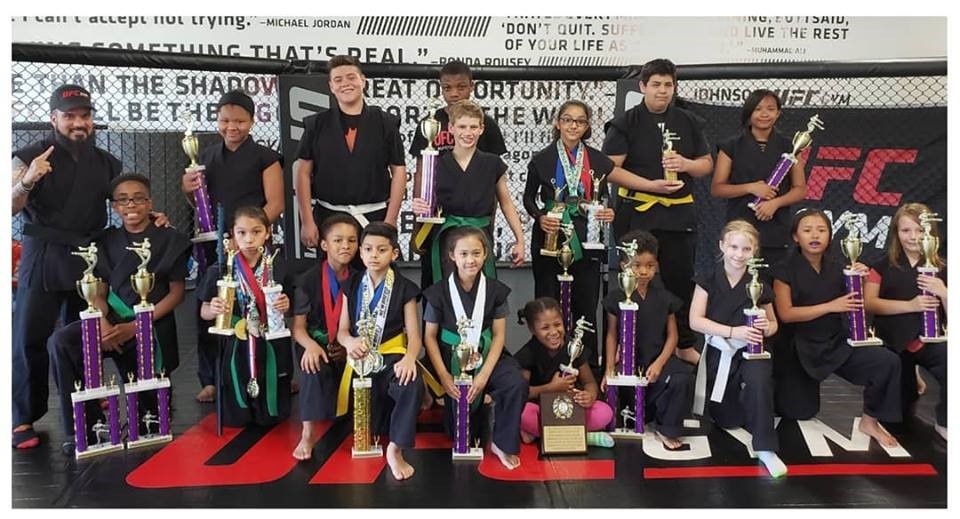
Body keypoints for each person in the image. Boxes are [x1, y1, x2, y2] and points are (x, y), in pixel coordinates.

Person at [12, 84, 127, 448]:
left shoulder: (107, 162)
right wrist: (27, 180)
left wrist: (149, 215)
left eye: (85, 115)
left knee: (84, 336)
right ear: (53, 119)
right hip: (44, 253)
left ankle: (86, 398)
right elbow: (9, 206)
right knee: (30, 336)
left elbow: (124, 201)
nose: (79, 123)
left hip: (87, 256)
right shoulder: (28, 157)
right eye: (70, 116)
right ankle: (23, 417)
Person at [48, 174, 191, 454]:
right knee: (61, 342)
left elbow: (177, 294)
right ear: (114, 206)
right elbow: (99, 290)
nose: (131, 205)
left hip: (149, 326)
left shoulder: (170, 239)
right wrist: (101, 322)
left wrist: (136, 327)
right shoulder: (105, 241)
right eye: (123, 200)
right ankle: (84, 425)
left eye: (138, 198)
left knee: (149, 419)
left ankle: (150, 412)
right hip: (110, 323)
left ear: (150, 202)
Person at [602, 58, 713, 364]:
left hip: (678, 213)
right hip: (637, 211)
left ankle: (684, 344)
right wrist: (650, 185)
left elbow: (706, 165)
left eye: (668, 85)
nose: (662, 91)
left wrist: (686, 164)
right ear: (643, 87)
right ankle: (625, 344)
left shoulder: (688, 121)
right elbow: (610, 169)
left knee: (680, 280)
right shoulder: (626, 122)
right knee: (633, 279)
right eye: (656, 85)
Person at [182, 89, 284, 403]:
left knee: (266, 309)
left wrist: (247, 235)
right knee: (213, 308)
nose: (232, 127)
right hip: (217, 246)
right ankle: (212, 379)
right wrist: (186, 189)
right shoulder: (205, 157)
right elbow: (198, 204)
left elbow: (276, 203)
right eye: (225, 120)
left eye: (239, 120)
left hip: (253, 245)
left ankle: (277, 373)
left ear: (252, 121)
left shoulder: (266, 157)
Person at [771, 209, 900, 447]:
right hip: (799, 349)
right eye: (807, 230)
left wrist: (859, 280)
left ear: (830, 236)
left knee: (887, 362)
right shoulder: (784, 269)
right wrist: (831, 306)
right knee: (800, 411)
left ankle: (870, 421)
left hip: (835, 343)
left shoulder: (839, 267)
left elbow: (854, 304)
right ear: (796, 237)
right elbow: (786, 315)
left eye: (821, 230)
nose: (815, 235)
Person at [422, 227, 528, 470]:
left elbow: (499, 336)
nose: (470, 260)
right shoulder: (437, 292)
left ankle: (502, 443)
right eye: (464, 254)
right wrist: (444, 376)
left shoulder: (496, 290)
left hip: (488, 354)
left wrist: (483, 376)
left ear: (485, 254)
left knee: (516, 382)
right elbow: (429, 337)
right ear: (452, 256)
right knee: (459, 434)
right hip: (451, 359)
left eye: (476, 253)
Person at [523, 100, 615, 369]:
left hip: (587, 239)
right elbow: (528, 198)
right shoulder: (541, 160)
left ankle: (588, 369)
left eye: (580, 121)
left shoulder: (599, 161)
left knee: (586, 303)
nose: (573, 125)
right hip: (550, 235)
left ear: (587, 126)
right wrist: (540, 217)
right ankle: (546, 368)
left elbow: (604, 198)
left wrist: (609, 212)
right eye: (567, 120)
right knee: (547, 303)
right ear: (558, 123)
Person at [688, 220, 785, 477]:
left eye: (746, 249)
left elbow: (774, 324)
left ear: (755, 251)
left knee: (759, 380)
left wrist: (766, 327)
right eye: (733, 247)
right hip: (721, 350)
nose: (739, 254)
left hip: (753, 349)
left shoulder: (759, 283)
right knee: (727, 419)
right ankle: (744, 405)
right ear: (722, 246)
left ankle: (765, 447)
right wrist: (733, 332)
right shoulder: (707, 278)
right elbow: (695, 321)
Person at [336, 223, 423, 480]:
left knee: (411, 383)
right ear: (360, 252)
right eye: (368, 249)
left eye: (382, 250)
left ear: (394, 253)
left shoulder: (405, 288)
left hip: (393, 356)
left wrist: (409, 359)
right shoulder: (351, 284)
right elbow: (342, 331)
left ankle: (396, 449)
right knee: (371, 428)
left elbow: (414, 337)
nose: (374, 255)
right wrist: (349, 343)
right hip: (361, 360)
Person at [411, 99, 525, 288]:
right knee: (445, 293)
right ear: (451, 128)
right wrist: (419, 206)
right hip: (445, 239)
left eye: (473, 127)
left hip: (479, 237)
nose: (468, 132)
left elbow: (506, 204)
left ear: (481, 129)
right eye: (462, 126)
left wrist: (520, 240)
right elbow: (425, 200)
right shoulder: (436, 162)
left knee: (481, 292)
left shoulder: (493, 163)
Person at [296, 55, 406, 243]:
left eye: (351, 77)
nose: (345, 84)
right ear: (331, 86)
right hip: (328, 218)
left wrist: (391, 219)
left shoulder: (385, 123)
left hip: (375, 218)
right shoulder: (316, 124)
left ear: (363, 80)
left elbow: (399, 171)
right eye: (338, 80)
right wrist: (307, 221)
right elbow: (303, 173)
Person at [199, 207, 293, 427]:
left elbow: (291, 308)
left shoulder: (278, 265)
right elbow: (203, 312)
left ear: (268, 232)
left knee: (271, 413)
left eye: (256, 231)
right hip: (236, 337)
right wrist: (214, 309)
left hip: (269, 335)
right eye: (241, 233)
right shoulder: (222, 268)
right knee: (236, 410)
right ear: (232, 234)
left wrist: (286, 305)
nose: (249, 239)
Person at [601, 230, 693, 449]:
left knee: (682, 378)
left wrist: (660, 363)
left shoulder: (664, 297)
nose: (643, 271)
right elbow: (612, 334)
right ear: (623, 265)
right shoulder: (615, 297)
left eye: (650, 265)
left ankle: (667, 427)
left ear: (656, 266)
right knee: (623, 398)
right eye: (637, 265)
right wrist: (609, 368)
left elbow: (673, 336)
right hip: (629, 364)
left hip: (657, 359)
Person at [865, 203, 947, 441]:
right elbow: (870, 303)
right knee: (896, 416)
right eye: (906, 230)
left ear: (931, 233)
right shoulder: (881, 266)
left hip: (930, 343)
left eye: (920, 230)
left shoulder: (944, 268)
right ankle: (910, 376)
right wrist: (910, 305)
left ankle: (945, 421)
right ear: (896, 233)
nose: (913, 237)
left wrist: (944, 293)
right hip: (893, 344)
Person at [711, 89, 808, 267]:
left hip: (776, 228)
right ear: (749, 112)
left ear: (778, 113)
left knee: (774, 279)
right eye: (758, 109)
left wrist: (775, 203)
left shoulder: (790, 147)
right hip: (740, 226)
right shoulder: (731, 146)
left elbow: (800, 189)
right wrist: (750, 188)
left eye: (770, 109)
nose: (764, 114)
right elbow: (717, 188)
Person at [291, 214, 360, 460]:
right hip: (317, 344)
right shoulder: (307, 280)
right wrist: (310, 346)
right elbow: (298, 328)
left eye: (352, 240)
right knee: (312, 364)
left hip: (349, 345)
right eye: (338, 240)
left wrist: (348, 344)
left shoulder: (361, 278)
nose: (345, 246)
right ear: (324, 244)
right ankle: (308, 433)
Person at [514, 297, 615, 448]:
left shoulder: (573, 347)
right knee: (521, 412)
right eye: (545, 328)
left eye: (557, 324)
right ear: (532, 329)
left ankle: (542, 435)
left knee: (605, 412)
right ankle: (583, 438)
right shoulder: (528, 353)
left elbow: (589, 383)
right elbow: (522, 392)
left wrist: (589, 396)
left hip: (572, 409)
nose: (554, 332)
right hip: (542, 410)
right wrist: (550, 388)